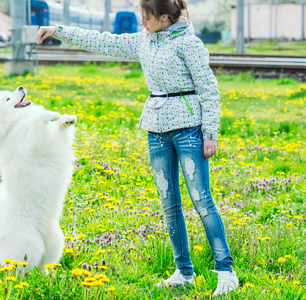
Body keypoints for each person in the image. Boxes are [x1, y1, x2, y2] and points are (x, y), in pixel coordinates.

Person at [36, 0, 238, 296]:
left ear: (165, 17)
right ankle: (184, 272)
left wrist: (210, 133)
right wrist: (58, 30)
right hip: (156, 129)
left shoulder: (189, 43)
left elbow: (209, 88)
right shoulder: (144, 40)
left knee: (201, 200)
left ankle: (225, 270)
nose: (142, 22)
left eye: (146, 16)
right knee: (170, 204)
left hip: (189, 131)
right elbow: (103, 41)